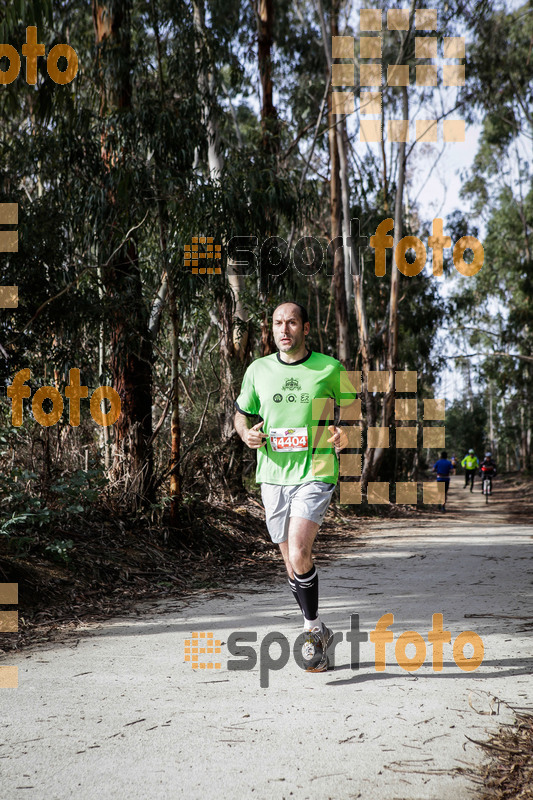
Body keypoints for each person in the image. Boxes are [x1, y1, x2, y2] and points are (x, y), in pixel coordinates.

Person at [234, 301, 349, 673]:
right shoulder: (258, 370)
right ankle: (320, 630)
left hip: (316, 468)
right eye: (278, 323)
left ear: (306, 327)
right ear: (272, 328)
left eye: (292, 323)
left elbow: (353, 409)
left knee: (300, 550)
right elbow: (241, 412)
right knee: (290, 562)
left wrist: (346, 433)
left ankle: (311, 631)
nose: (285, 329)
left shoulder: (329, 368)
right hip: (273, 474)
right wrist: (246, 433)